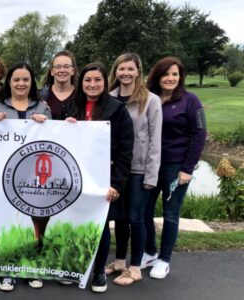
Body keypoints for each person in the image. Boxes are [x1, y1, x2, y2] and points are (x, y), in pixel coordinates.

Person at [0, 62, 51, 292]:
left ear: (32, 83)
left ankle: (32, 267)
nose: (21, 84)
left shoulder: (42, 108)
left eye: (26, 79)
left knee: (35, 220)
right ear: (9, 82)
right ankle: (7, 269)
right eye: (16, 79)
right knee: (7, 221)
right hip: (3, 174)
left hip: (33, 176)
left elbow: (55, 138)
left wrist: (47, 123)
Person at [65, 62, 134, 293]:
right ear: (80, 82)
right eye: (87, 80)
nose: (92, 84)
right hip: (76, 177)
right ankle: (75, 268)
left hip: (104, 178)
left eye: (97, 80)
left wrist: (117, 183)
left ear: (105, 82)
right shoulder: (73, 106)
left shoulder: (117, 108)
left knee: (101, 226)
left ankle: (98, 273)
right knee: (76, 223)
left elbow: (126, 149)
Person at [143, 56, 206, 279]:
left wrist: (187, 168)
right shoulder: (149, 98)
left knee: (170, 214)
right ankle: (149, 251)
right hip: (150, 164)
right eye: (166, 74)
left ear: (180, 77)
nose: (170, 78)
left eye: (175, 74)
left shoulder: (191, 101)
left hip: (175, 166)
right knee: (144, 211)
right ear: (157, 76)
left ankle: (164, 260)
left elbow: (199, 135)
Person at [104, 53, 162, 286]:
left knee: (136, 218)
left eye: (130, 69)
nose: (125, 73)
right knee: (119, 218)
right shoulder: (109, 98)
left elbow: (155, 140)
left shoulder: (151, 100)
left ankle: (135, 267)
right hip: (117, 168)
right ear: (115, 72)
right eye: (121, 69)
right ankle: (119, 262)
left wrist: (151, 175)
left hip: (139, 169)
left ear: (138, 71)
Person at [39, 50, 78, 120]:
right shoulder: (40, 96)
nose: (62, 70)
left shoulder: (82, 95)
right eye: (58, 67)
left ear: (73, 71)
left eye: (66, 66)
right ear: (52, 71)